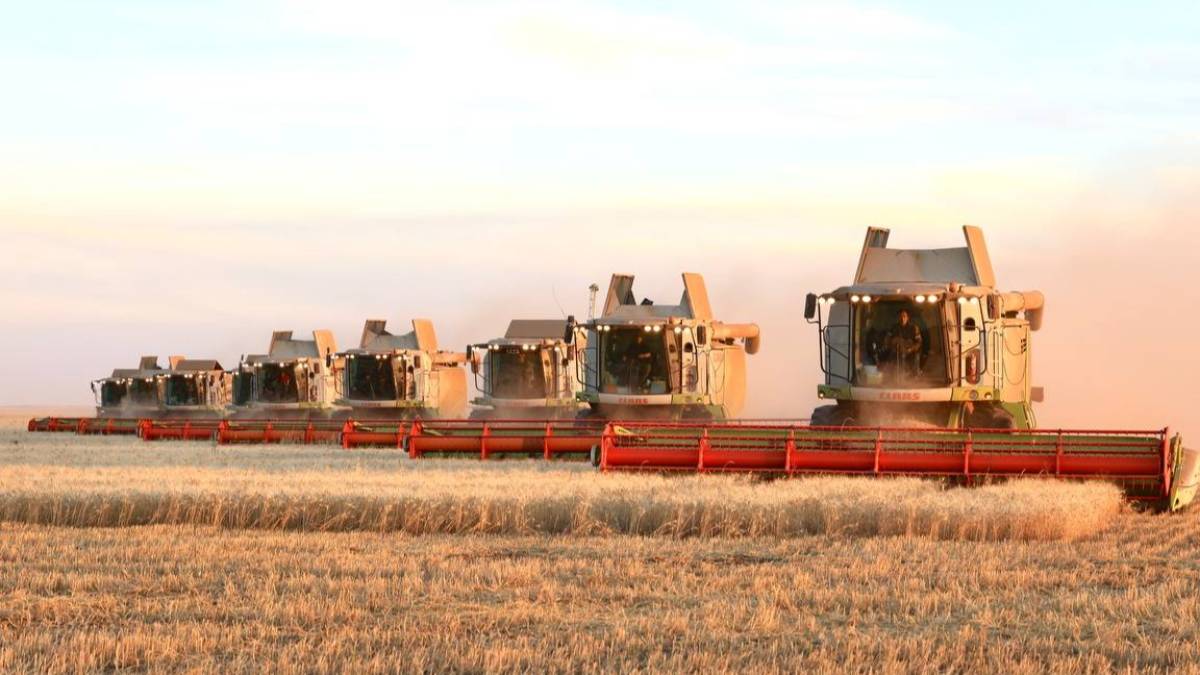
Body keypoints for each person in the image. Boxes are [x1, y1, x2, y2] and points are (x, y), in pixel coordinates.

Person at [885, 309, 923, 379]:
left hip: (910, 351)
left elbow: (919, 342)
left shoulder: (914, 328)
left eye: (904, 316)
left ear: (907, 317)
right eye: (901, 316)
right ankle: (890, 376)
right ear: (898, 317)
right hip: (897, 351)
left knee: (916, 356)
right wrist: (891, 345)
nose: (902, 318)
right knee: (889, 359)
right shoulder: (894, 327)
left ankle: (915, 375)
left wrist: (911, 349)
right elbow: (887, 339)